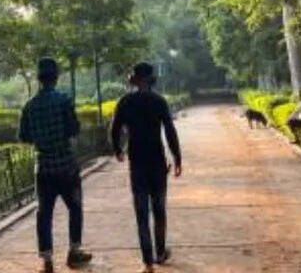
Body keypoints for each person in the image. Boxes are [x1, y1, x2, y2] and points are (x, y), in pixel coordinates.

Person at [19, 57, 93, 272]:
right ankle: (74, 253)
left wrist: (42, 138)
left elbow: (23, 136)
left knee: (44, 213)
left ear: (39, 79)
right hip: (66, 165)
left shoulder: (29, 106)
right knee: (75, 207)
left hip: (43, 167)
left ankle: (47, 260)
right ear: (56, 77)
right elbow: (74, 129)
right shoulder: (64, 100)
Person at [110, 62, 182, 272]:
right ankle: (160, 253)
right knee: (159, 211)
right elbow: (169, 130)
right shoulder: (158, 101)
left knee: (141, 214)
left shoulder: (125, 102)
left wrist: (117, 150)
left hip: (137, 165)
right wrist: (177, 157)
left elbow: (114, 129)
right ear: (150, 81)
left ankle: (148, 262)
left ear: (134, 80)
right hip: (157, 163)